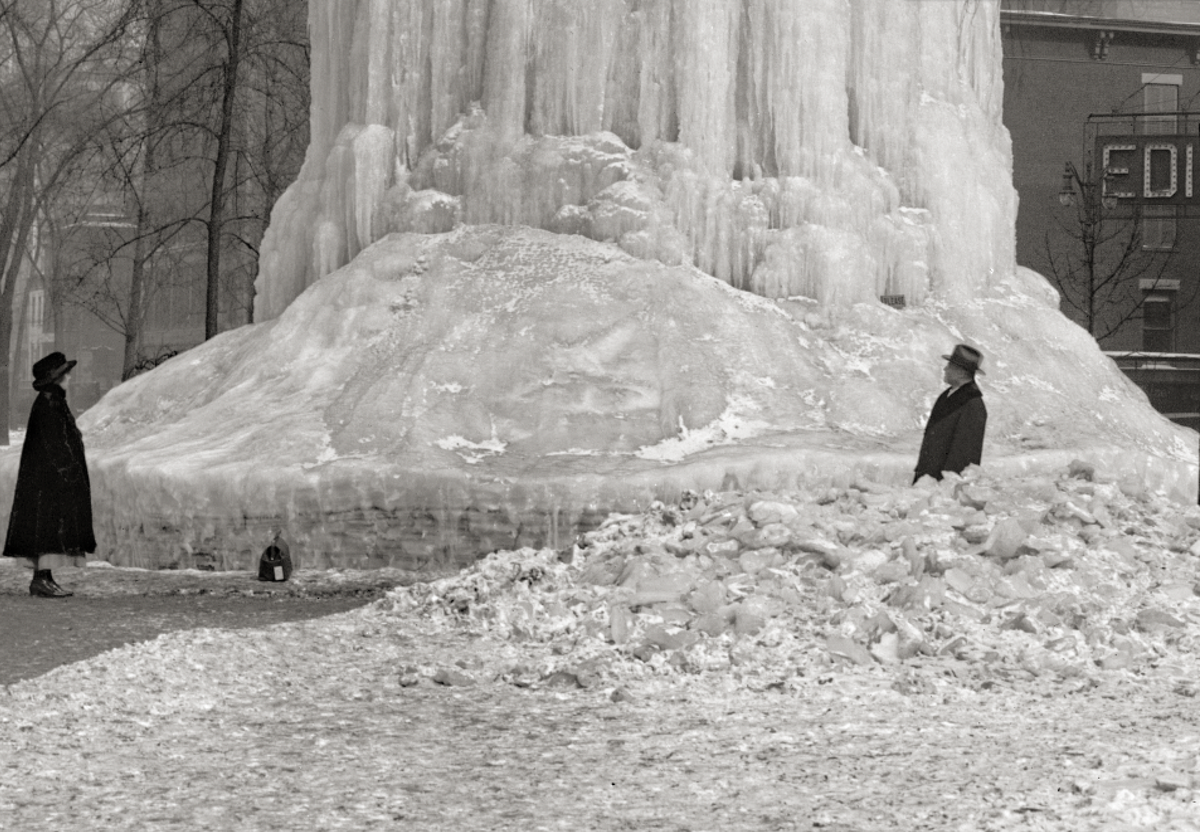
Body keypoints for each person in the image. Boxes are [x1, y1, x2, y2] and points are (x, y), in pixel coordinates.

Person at [3, 352, 96, 597]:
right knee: (46, 529)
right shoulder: (50, 402)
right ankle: (41, 580)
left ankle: (44, 578)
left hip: (47, 479)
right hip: (49, 481)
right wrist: (69, 470)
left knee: (46, 528)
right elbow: (55, 442)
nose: (69, 378)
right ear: (55, 378)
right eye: (65, 374)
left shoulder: (51, 400)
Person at [913, 344, 987, 484]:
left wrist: (946, 488)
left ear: (960, 372)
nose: (945, 369)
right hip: (928, 480)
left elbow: (964, 455)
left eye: (950, 366)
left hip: (944, 488)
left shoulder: (973, 405)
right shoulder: (947, 395)